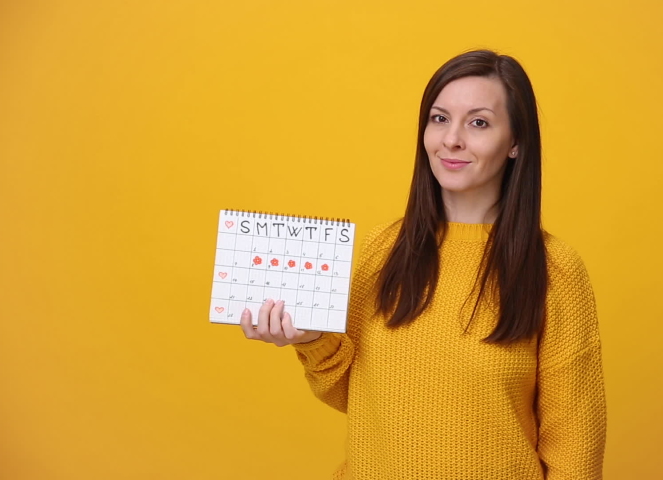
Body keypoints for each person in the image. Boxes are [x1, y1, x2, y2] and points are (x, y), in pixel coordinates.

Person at [240, 49, 607, 479]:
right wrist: (312, 339)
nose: (451, 139)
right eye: (439, 118)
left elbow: (575, 447)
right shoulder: (383, 249)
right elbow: (351, 394)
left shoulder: (554, 270)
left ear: (515, 143)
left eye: (479, 122)